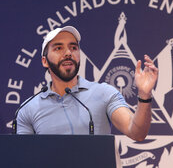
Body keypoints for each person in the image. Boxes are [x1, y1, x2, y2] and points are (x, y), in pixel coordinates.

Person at [17, 26, 158, 141]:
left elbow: (136, 133)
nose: (68, 53)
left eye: (73, 48)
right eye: (58, 48)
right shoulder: (28, 109)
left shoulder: (103, 93)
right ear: (44, 61)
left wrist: (144, 95)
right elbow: (24, 158)